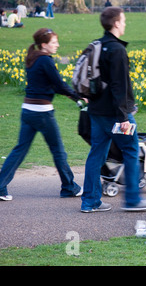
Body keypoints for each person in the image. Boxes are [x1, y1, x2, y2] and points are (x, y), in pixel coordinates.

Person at [81, 7, 146, 213]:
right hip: (116, 116)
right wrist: (124, 116)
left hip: (96, 113)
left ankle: (90, 201)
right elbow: (119, 87)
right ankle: (132, 199)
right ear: (115, 23)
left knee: (96, 154)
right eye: (123, 20)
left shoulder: (97, 45)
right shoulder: (117, 50)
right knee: (131, 149)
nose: (125, 23)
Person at [0, 28, 84, 201]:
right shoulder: (45, 60)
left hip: (27, 110)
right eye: (54, 42)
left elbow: (51, 84)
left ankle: (0, 186)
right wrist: (78, 96)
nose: (57, 45)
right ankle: (69, 187)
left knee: (20, 149)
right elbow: (59, 84)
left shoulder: (33, 58)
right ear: (44, 45)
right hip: (42, 114)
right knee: (58, 151)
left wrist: (70, 95)